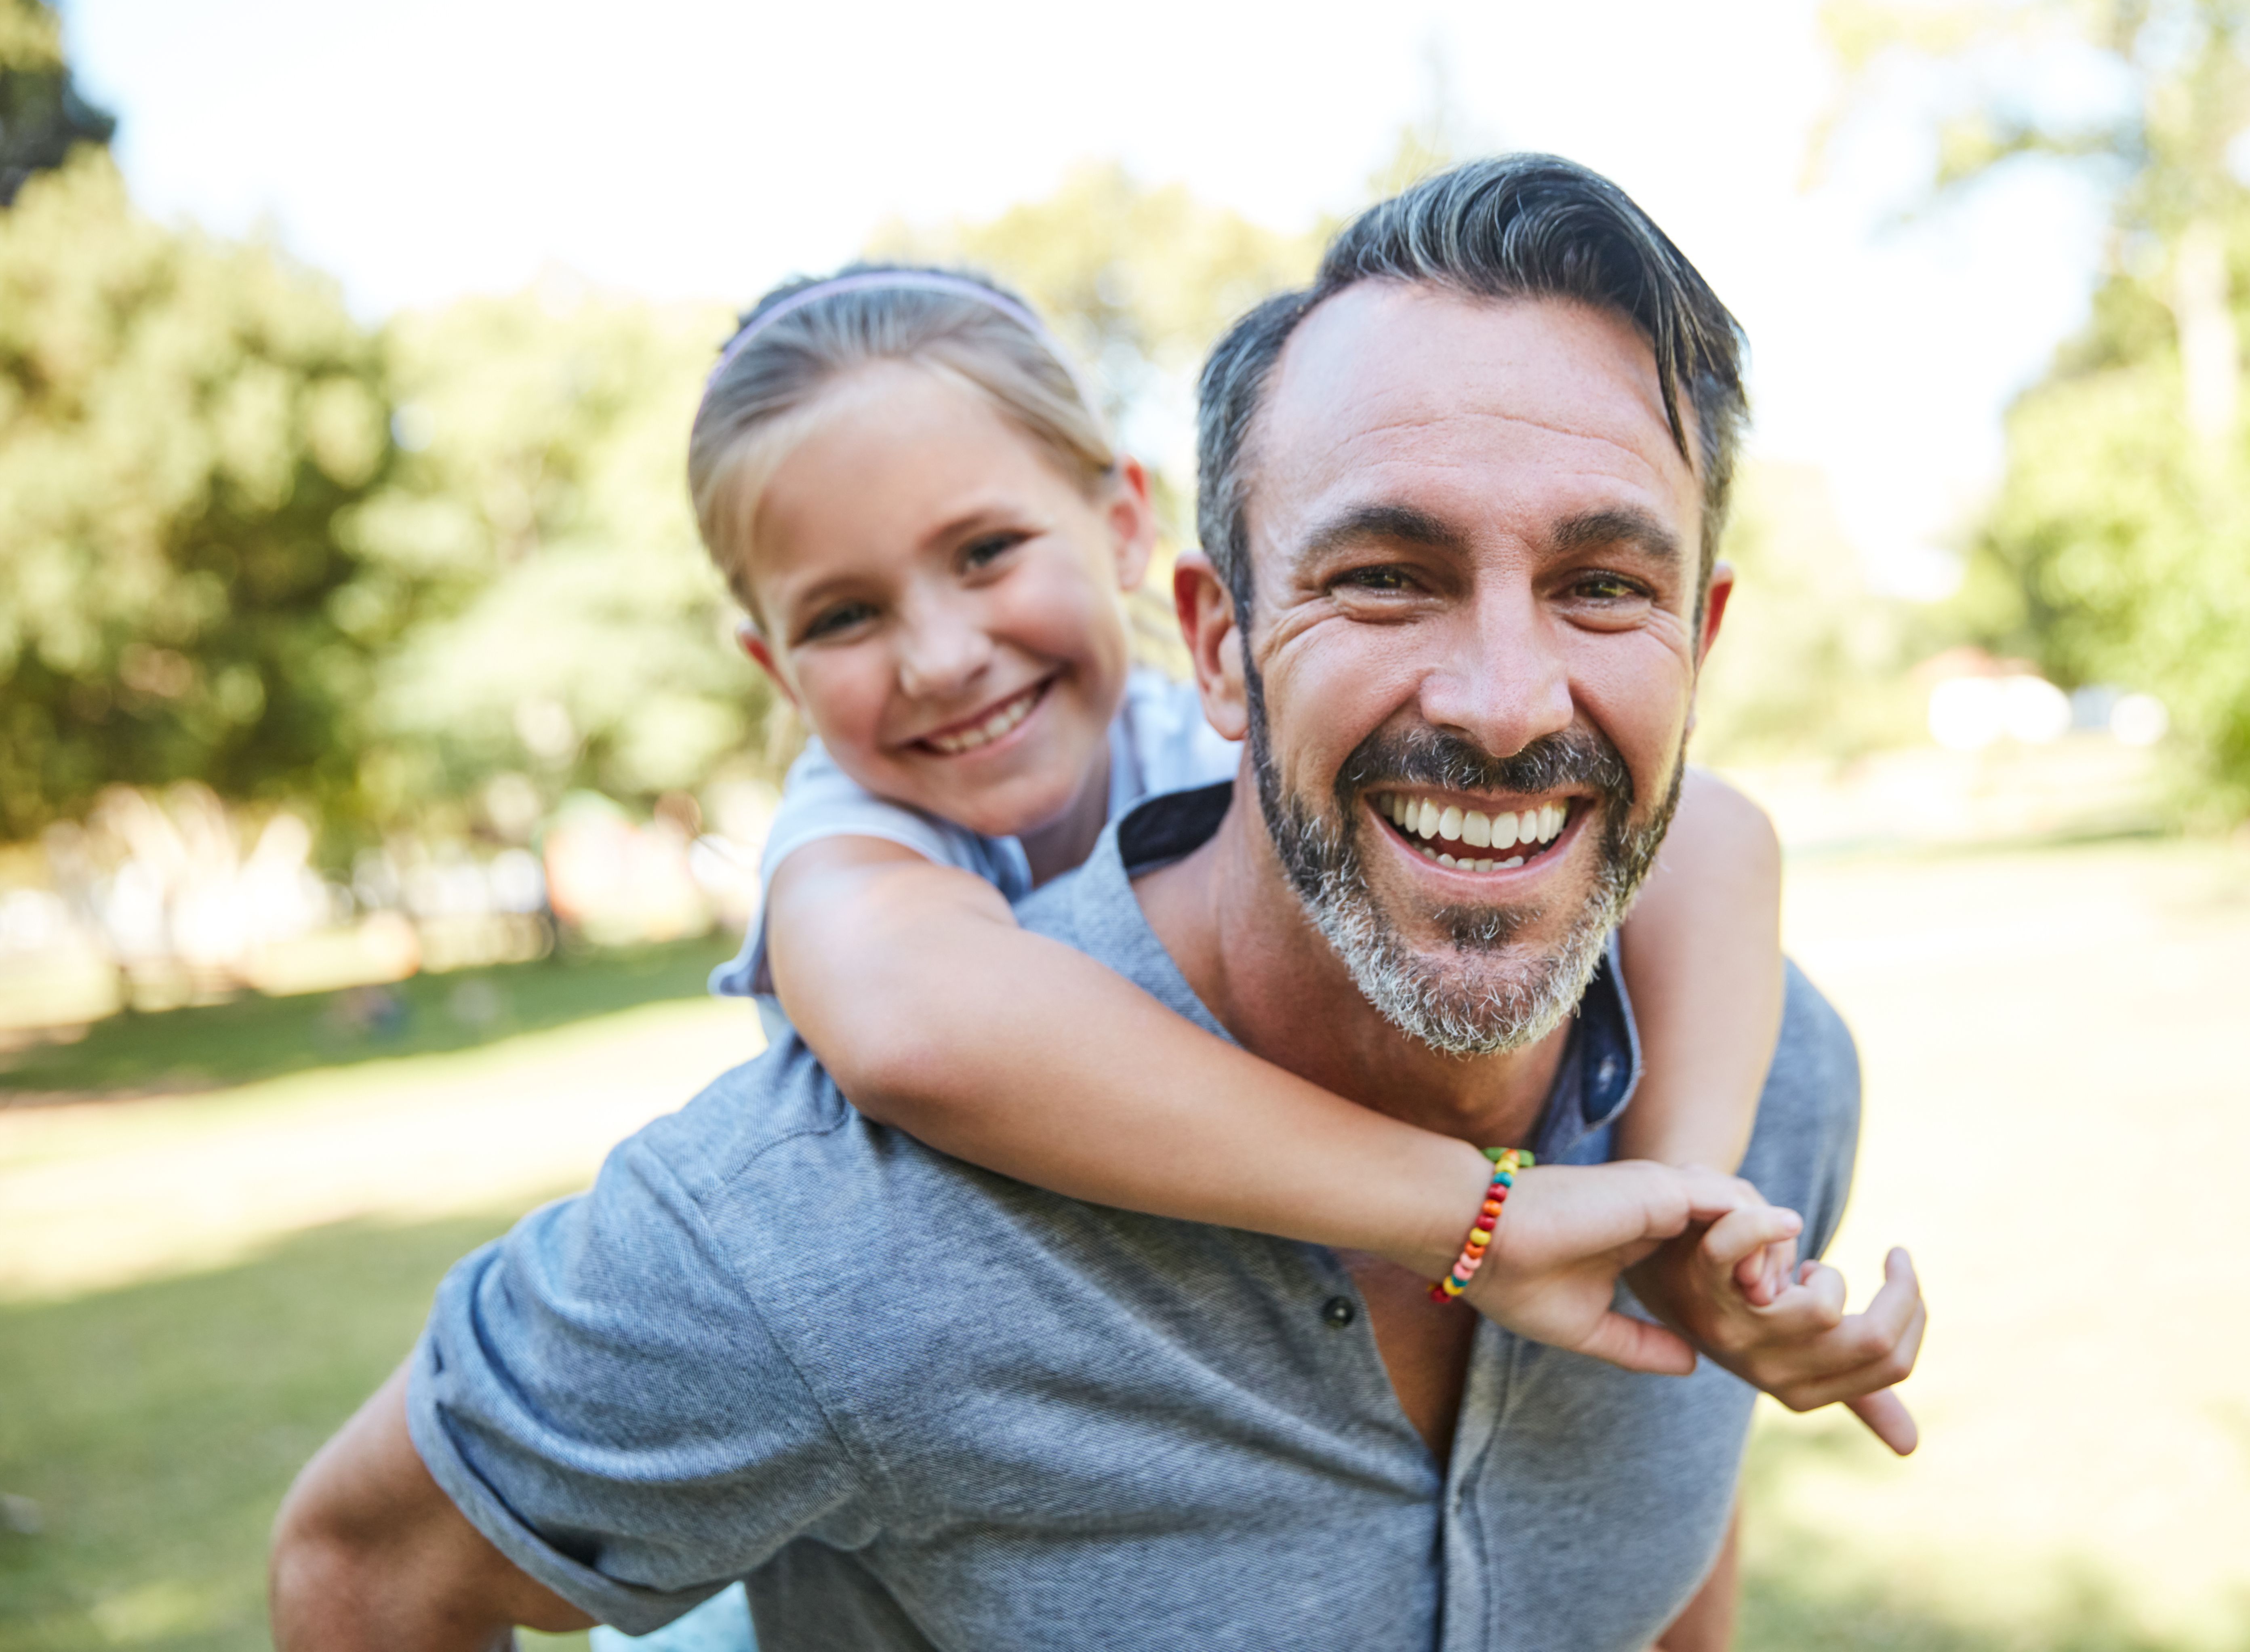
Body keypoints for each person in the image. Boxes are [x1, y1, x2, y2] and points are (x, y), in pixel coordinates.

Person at [270, 154, 1926, 1652]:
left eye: (1602, 586)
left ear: (1699, 639)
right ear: (1217, 642)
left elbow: (1715, 835)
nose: (1506, 700)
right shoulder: (827, 1204)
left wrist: (1689, 1207)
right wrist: (1477, 1216)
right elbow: (362, 1577)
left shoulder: (1757, 1079)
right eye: (1384, 575)